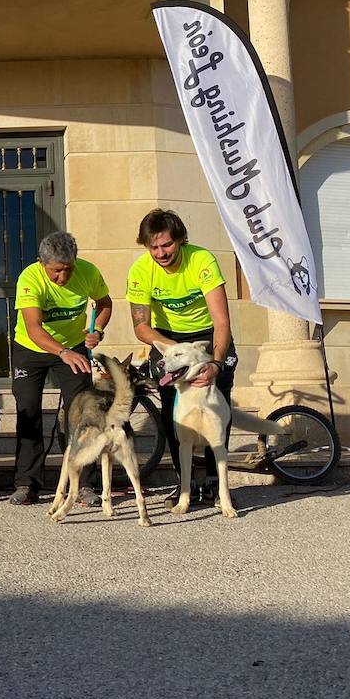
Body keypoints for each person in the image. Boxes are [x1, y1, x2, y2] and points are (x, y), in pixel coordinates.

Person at [127, 207, 235, 501]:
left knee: (218, 403)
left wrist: (215, 363)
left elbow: (222, 321)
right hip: (167, 339)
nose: (161, 253)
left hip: (207, 335)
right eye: (154, 247)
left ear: (181, 241)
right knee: (172, 408)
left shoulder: (201, 260)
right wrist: (172, 351)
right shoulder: (140, 270)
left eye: (167, 245)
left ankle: (216, 482)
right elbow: (141, 326)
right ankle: (184, 483)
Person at [9, 231, 113, 506]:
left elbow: (104, 303)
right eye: (56, 271)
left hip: (73, 346)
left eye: (68, 270)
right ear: (42, 264)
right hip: (32, 349)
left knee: (81, 413)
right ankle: (26, 483)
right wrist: (62, 351)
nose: (62, 277)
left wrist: (98, 329)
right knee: (28, 411)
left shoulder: (88, 272)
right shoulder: (29, 278)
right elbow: (33, 327)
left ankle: (84, 484)